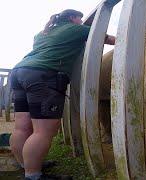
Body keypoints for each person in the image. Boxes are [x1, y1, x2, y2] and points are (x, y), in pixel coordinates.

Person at [9, 9, 115, 180]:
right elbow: (107, 38)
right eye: (80, 19)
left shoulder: (43, 32)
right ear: (73, 18)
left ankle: (27, 164)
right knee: (43, 131)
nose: (81, 22)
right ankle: (33, 176)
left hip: (19, 72)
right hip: (43, 75)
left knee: (22, 127)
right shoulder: (76, 30)